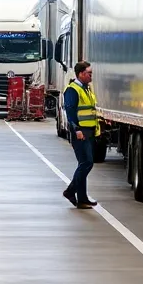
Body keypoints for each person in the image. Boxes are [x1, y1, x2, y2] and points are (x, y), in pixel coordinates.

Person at [62, 61, 99, 209]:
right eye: (89, 73)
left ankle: (82, 198)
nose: (91, 76)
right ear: (81, 74)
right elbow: (70, 112)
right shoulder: (73, 89)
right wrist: (76, 129)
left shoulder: (87, 89)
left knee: (84, 163)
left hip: (88, 130)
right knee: (87, 163)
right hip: (80, 132)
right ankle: (71, 191)